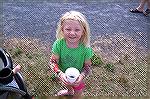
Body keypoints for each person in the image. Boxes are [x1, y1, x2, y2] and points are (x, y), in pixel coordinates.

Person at [48, 10, 93, 98]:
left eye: (77, 30)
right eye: (68, 29)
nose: (72, 33)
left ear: (83, 31)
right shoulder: (58, 44)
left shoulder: (86, 48)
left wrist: (82, 76)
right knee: (67, 83)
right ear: (62, 29)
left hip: (78, 76)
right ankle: (69, 91)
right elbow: (52, 62)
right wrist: (60, 74)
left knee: (78, 90)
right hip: (63, 72)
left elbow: (88, 66)